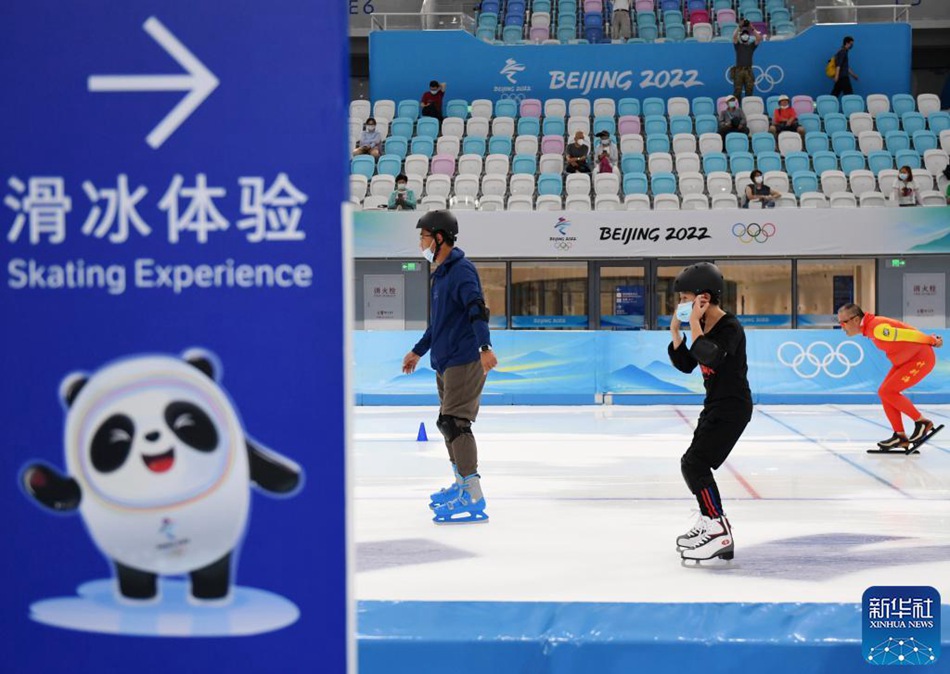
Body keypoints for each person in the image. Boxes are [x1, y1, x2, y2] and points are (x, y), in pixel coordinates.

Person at [402, 210, 498, 523]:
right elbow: (438, 324)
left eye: (424, 236)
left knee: (456, 423)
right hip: (444, 360)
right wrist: (417, 352)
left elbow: (476, 309)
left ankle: (472, 492)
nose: (421, 242)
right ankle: (461, 485)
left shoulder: (461, 271)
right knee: (447, 423)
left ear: (440, 237)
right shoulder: (440, 275)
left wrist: (485, 347)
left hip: (464, 357)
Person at [668, 262, 752, 563]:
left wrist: (694, 324)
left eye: (685, 298)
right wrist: (677, 330)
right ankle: (712, 522)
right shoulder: (703, 326)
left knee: (695, 464)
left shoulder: (729, 326)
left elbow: (712, 357)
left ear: (704, 298)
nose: (681, 304)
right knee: (693, 464)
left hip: (732, 407)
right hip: (716, 405)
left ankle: (717, 528)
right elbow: (687, 363)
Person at [836, 303, 943, 452]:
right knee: (884, 392)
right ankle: (900, 436)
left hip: (919, 359)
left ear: (855, 320)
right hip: (906, 361)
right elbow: (903, 328)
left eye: (844, 322)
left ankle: (922, 422)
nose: (842, 326)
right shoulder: (871, 327)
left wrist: (931, 340)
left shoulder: (877, 328)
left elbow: (910, 334)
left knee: (888, 392)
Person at [732, 20, 763, 101]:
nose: (745, 36)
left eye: (746, 35)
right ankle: (737, 110)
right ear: (741, 36)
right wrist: (739, 27)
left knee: (749, 91)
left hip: (748, 70)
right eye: (743, 35)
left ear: (749, 37)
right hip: (739, 70)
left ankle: (748, 108)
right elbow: (734, 37)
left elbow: (759, 38)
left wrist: (752, 28)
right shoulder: (738, 45)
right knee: (737, 91)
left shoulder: (751, 46)